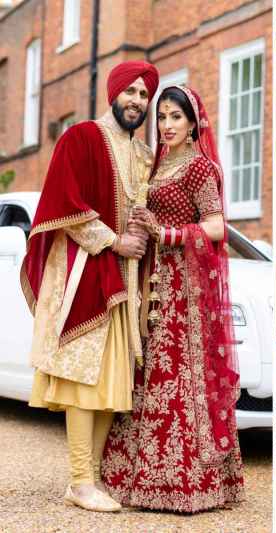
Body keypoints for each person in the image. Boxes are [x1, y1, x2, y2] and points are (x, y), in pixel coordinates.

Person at [21, 61, 158, 512]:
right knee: (84, 378)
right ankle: (80, 480)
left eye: (144, 94)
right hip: (85, 272)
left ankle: (91, 479)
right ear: (114, 92)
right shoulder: (80, 137)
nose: (137, 100)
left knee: (110, 382)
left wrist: (142, 228)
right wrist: (115, 240)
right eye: (131, 91)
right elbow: (64, 200)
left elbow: (140, 206)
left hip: (124, 279)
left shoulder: (141, 154)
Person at [101, 85, 244, 512]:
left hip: (186, 286)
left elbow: (216, 227)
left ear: (193, 121)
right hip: (154, 281)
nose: (166, 125)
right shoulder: (160, 166)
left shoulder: (201, 168)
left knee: (178, 373)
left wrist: (166, 233)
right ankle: (139, 477)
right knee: (148, 370)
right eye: (161, 117)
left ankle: (186, 483)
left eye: (175, 117)